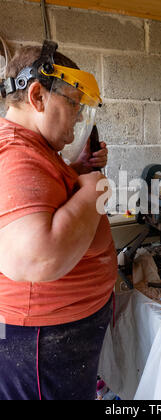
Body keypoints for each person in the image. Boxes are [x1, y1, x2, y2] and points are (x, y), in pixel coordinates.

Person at [0, 41, 117, 400]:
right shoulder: (15, 153)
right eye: (73, 103)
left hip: (55, 337)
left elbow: (43, 198)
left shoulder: (35, 149)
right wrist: (96, 188)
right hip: (41, 343)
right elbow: (36, 258)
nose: (80, 117)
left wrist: (75, 170)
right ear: (37, 97)